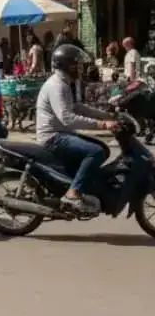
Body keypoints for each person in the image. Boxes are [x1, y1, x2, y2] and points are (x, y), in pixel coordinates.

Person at [35, 44, 118, 214]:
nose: (80, 68)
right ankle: (73, 193)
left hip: (61, 134)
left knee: (102, 148)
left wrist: (106, 115)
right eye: (77, 65)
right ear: (68, 66)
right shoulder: (57, 86)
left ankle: (78, 187)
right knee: (95, 152)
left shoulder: (66, 83)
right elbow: (67, 118)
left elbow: (78, 107)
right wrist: (101, 125)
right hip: (52, 137)